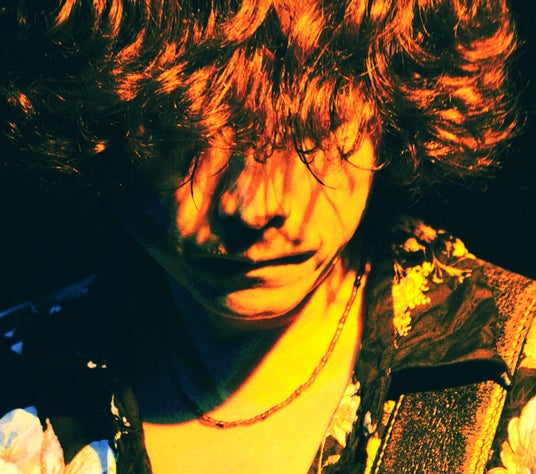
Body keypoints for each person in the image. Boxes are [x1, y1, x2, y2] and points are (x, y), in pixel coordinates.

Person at [1, 0, 535, 473]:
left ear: (393, 91)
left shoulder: (517, 369)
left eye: (315, 120)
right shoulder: (16, 377)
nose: (254, 208)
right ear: (100, 112)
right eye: (177, 124)